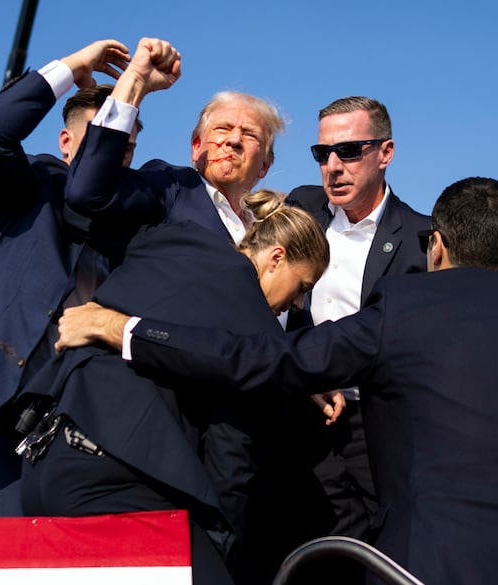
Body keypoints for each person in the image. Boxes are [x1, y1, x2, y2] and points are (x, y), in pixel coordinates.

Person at [103, 177, 498, 585]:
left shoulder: (402, 313)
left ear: (435, 243)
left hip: (436, 569)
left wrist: (129, 330)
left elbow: (267, 359)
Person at [59, 37, 314, 584]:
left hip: (228, 455)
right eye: (222, 130)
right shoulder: (169, 190)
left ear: (266, 162)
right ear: (196, 146)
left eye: (250, 136)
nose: (233, 141)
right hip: (141, 445)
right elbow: (85, 192)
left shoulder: (276, 244)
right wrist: (135, 89)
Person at [19, 189, 329, 585]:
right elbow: (231, 456)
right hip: (114, 484)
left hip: (46, 461)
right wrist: (223, 547)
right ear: (277, 257)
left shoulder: (178, 239)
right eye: (303, 286)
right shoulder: (257, 328)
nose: (300, 305)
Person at [0, 39, 156, 517]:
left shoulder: (136, 214)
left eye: (126, 146)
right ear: (65, 143)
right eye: (103, 136)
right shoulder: (26, 187)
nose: (115, 153)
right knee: (11, 560)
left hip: (96, 423)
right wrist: (74, 65)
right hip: (3, 420)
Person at [283, 96, 430, 582]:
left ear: (384, 153)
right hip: (301, 415)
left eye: (348, 151)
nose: (332, 166)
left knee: (382, 553)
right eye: (321, 153)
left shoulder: (421, 239)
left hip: (379, 425)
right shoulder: (299, 208)